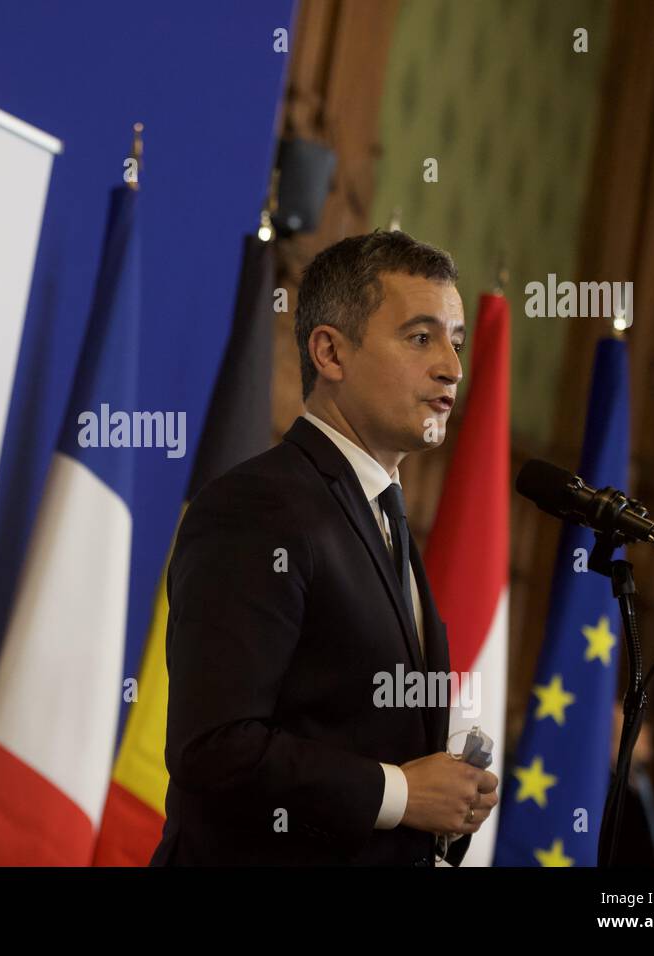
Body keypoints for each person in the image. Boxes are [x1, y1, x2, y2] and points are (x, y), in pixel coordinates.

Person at [150, 230, 499, 865]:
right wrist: (399, 793)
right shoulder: (258, 506)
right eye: (421, 338)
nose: (452, 365)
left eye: (457, 341)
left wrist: (446, 802)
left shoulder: (383, 517)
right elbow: (215, 749)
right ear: (330, 352)